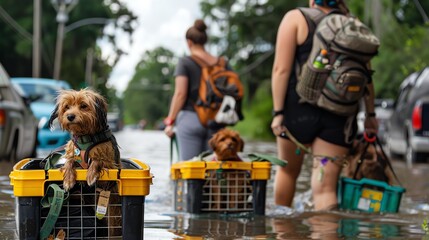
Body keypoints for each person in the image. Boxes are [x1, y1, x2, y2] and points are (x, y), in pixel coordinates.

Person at [270, 0, 379, 210]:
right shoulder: (352, 24)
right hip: (339, 115)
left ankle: (284, 233)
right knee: (326, 189)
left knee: (287, 172)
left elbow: (280, 71)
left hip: (298, 113)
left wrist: (278, 112)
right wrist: (370, 114)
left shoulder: (296, 18)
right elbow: (367, 77)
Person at [164, 19, 222, 161]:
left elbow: (180, 94)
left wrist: (170, 121)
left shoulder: (185, 62)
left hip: (191, 119)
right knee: (212, 171)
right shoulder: (221, 62)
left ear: (189, 42)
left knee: (190, 171)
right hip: (216, 121)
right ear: (204, 41)